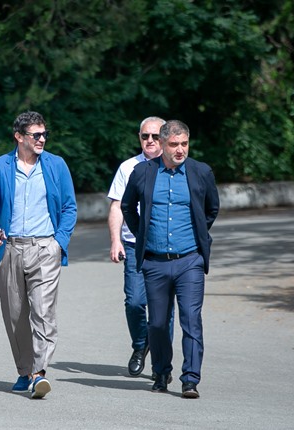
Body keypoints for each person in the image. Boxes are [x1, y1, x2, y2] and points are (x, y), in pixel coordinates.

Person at [0, 111, 77, 399]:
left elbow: (69, 207)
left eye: (44, 134)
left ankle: (39, 374)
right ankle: (25, 371)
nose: (42, 139)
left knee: (43, 312)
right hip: (9, 247)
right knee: (15, 314)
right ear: (19, 137)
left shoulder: (56, 165)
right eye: (36, 135)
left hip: (45, 248)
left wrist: (58, 242)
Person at [121, 120, 219, 399]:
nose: (180, 150)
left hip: (190, 259)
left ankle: (190, 379)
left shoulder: (201, 172)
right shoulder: (143, 172)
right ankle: (162, 372)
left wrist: (196, 234)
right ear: (162, 144)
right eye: (174, 144)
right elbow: (127, 206)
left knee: (191, 319)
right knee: (157, 323)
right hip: (155, 261)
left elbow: (211, 209)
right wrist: (143, 234)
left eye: (184, 144)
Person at [107, 116, 174, 378]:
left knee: (164, 309)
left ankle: (161, 365)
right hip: (135, 246)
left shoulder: (175, 166)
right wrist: (115, 240)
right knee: (135, 302)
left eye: (155, 136)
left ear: (165, 138)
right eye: (145, 136)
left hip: (166, 249)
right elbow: (117, 206)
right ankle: (140, 344)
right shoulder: (128, 168)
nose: (150, 141)